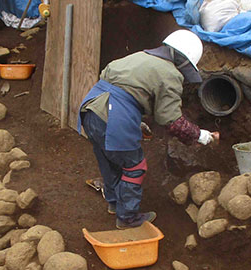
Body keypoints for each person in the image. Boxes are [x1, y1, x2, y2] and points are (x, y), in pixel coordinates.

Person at [79, 29, 220, 229]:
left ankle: (114, 202)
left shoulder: (140, 57)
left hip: (90, 109)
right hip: (114, 117)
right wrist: (201, 135)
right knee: (134, 166)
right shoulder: (170, 74)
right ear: (184, 61)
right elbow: (171, 120)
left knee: (108, 158)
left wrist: (133, 121)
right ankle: (127, 217)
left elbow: (122, 89)